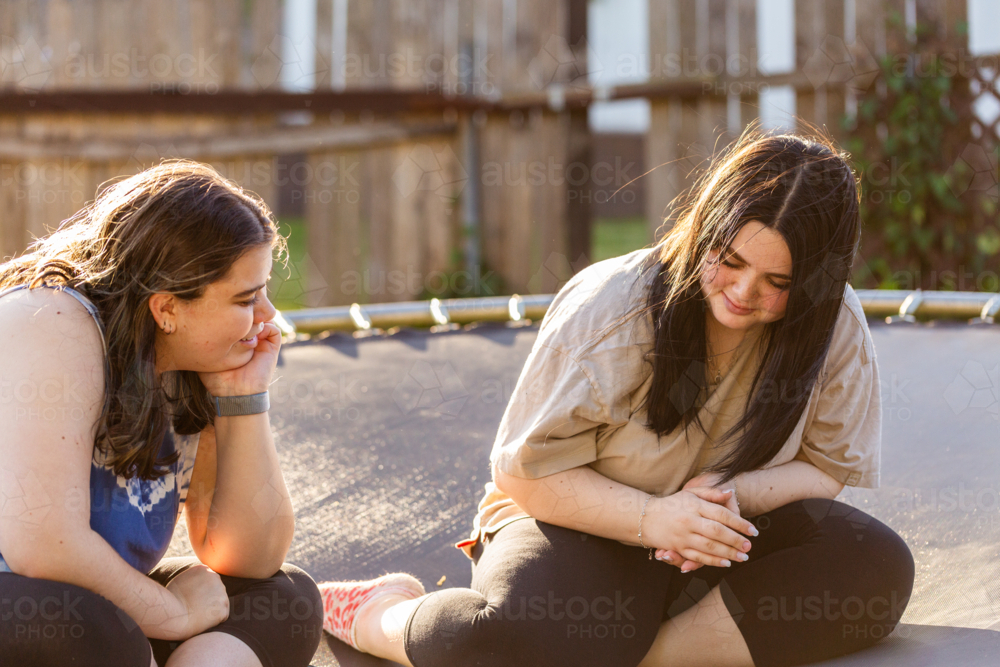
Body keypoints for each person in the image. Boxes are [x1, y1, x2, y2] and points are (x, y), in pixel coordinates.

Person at [316, 129, 916, 667]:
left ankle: (630, 654)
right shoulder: (614, 308)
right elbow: (522, 472)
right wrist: (655, 518)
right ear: (705, 229)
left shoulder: (833, 325)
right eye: (728, 261)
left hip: (717, 533)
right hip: (580, 525)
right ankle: (379, 613)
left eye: (777, 284)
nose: (741, 292)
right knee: (502, 642)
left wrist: (719, 504)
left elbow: (829, 466)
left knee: (874, 566)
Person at [0, 161, 323, 667]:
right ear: (167, 308)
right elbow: (41, 545)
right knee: (92, 628)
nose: (268, 317)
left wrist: (241, 398)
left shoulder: (191, 365)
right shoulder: (53, 320)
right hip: (27, 604)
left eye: (263, 291)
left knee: (285, 599)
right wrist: (171, 614)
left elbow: (247, 556)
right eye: (245, 297)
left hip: (96, 613)